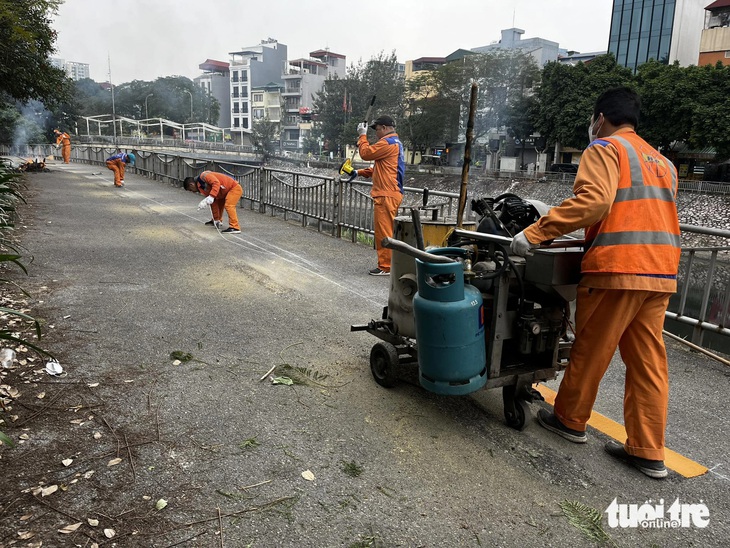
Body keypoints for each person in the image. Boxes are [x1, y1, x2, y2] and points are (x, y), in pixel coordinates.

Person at [510, 87, 680, 479]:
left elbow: (594, 202)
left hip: (618, 268)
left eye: (593, 119)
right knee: (648, 362)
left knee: (591, 348)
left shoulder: (606, 149)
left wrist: (536, 232)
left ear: (600, 117)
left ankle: (569, 419)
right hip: (660, 273)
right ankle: (648, 450)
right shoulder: (664, 164)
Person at [346, 115, 404, 276]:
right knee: (387, 230)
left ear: (384, 128)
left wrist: (362, 135)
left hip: (387, 194)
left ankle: (386, 266)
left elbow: (365, 153)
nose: (376, 133)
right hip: (390, 193)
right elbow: (378, 168)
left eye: (377, 129)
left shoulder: (388, 142)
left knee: (383, 232)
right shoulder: (395, 143)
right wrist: (357, 172)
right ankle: (389, 263)